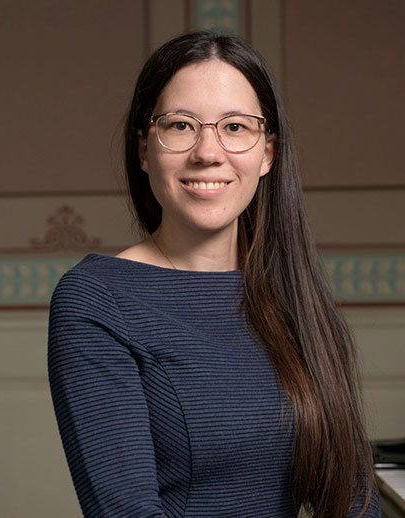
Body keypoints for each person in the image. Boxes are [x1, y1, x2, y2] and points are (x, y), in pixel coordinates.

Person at [47, 31, 380, 517]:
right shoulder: (96, 300)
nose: (208, 152)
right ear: (144, 150)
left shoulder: (296, 294)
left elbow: (354, 498)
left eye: (236, 127)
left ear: (267, 153)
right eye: (181, 126)